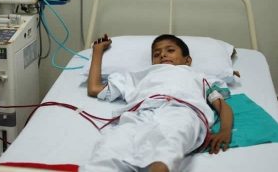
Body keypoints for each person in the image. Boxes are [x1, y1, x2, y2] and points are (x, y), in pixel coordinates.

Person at [80, 34, 233, 172]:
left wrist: (225, 131)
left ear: (188, 60)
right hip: (141, 114)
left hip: (182, 111)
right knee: (111, 147)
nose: (163, 55)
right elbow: (94, 88)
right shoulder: (140, 76)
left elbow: (221, 106)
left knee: (169, 143)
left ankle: (159, 167)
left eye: (170, 50)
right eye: (156, 54)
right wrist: (97, 52)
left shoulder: (200, 77)